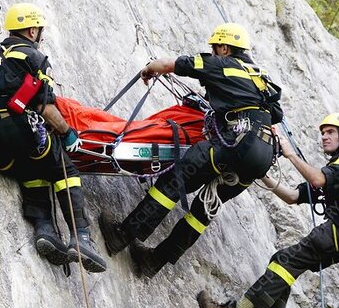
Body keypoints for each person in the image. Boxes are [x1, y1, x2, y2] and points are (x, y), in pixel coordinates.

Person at [99, 23, 283, 277]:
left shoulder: (221, 64)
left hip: (239, 142)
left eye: (215, 48)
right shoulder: (262, 78)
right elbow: (276, 113)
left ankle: (123, 235)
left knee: (174, 181)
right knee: (204, 209)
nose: (213, 51)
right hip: (262, 156)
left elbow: (172, 65)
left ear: (224, 47)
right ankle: (154, 261)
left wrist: (150, 69)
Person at [197, 113, 339, 308]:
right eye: (323, 133)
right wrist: (261, 171)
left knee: (286, 261)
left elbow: (316, 179)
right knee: (283, 262)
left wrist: (289, 153)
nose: (324, 137)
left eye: (330, 132)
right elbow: (293, 197)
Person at [0, 2, 106, 272]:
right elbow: (44, 104)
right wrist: (66, 133)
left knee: (32, 169)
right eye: (39, 30)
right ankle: (82, 237)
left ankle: (45, 229)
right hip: (17, 131)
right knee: (64, 168)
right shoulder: (34, 58)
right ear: (32, 30)